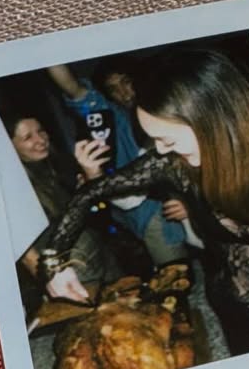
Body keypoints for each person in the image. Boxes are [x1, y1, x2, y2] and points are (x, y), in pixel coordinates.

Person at [38, 47, 249, 355]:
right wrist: (53, 263)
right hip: (232, 305)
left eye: (167, 139)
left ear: (210, 118)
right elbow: (90, 192)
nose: (160, 151)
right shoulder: (175, 164)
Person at [45, 62, 189, 268]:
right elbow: (73, 89)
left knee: (185, 269)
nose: (123, 92)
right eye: (113, 88)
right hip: (139, 218)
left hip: (170, 212)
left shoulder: (165, 105)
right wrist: (44, 51)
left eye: (126, 82)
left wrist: (191, 204)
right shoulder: (114, 117)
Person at [6, 114, 112, 290]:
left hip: (99, 250)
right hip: (71, 270)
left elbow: (98, 211)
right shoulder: (14, 189)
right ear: (10, 146)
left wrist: (92, 180)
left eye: (41, 131)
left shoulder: (60, 165)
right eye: (28, 137)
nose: (41, 140)